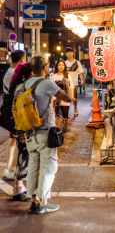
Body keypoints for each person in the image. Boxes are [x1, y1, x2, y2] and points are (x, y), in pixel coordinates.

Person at [16, 56, 72, 214]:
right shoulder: (46, 83)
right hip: (44, 132)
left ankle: (33, 202)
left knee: (34, 167)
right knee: (48, 168)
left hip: (29, 134)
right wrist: (66, 84)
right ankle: (42, 203)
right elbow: (68, 98)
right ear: (45, 67)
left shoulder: (23, 85)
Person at [8, 63, 33, 201]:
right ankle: (18, 189)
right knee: (23, 157)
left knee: (22, 155)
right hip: (24, 127)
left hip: (19, 126)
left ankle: (19, 187)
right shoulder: (26, 87)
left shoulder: (18, 87)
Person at [3, 50, 26, 180]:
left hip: (11, 110)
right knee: (17, 141)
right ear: (22, 59)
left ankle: (8, 168)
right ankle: (12, 169)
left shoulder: (9, 71)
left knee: (12, 140)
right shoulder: (14, 73)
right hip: (15, 111)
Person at [51, 60, 74, 131]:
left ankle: (65, 122)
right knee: (57, 115)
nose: (61, 67)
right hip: (56, 98)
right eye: (60, 65)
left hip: (65, 98)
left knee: (65, 115)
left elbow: (72, 87)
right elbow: (51, 87)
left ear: (64, 66)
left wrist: (72, 96)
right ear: (57, 66)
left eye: (63, 65)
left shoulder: (67, 75)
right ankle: (58, 130)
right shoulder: (53, 76)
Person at [64, 47, 84, 117]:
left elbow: (80, 72)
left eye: (70, 52)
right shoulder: (64, 63)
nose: (69, 53)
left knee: (74, 98)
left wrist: (81, 80)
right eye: (67, 52)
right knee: (67, 98)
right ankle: (67, 111)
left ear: (73, 53)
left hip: (75, 83)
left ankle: (75, 108)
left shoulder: (77, 63)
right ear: (66, 54)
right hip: (66, 83)